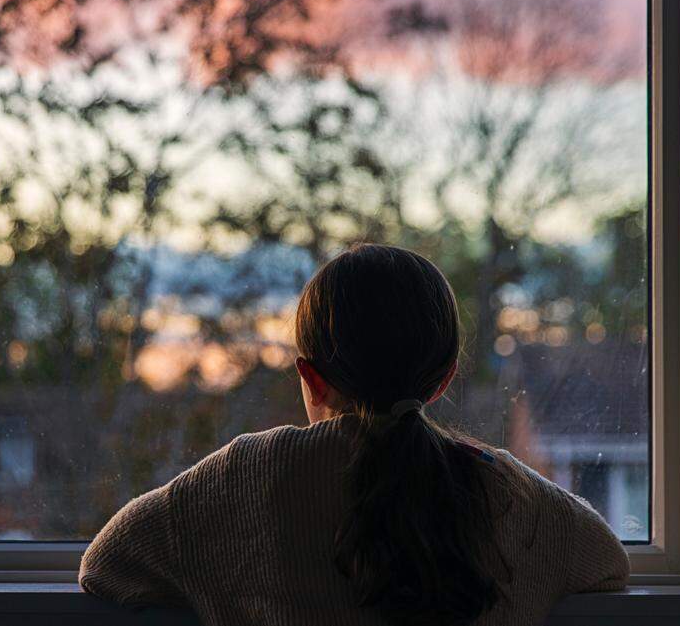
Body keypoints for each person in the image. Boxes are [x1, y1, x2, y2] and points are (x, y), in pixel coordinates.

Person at [79, 243, 629, 626]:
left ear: (310, 378)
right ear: (442, 381)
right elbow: (607, 564)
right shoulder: (507, 491)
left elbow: (105, 564)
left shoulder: (249, 476)